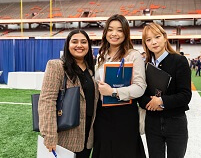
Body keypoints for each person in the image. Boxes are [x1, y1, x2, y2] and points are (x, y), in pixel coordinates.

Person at [92, 14, 147, 158]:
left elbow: (140, 88)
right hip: (102, 115)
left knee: (124, 152)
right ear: (105, 33)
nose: (114, 34)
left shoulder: (133, 55)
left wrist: (113, 91)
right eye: (110, 30)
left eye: (119, 30)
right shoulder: (101, 55)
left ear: (126, 33)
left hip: (124, 115)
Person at [38, 29, 99, 158]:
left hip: (87, 138)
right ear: (67, 45)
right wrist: (49, 135)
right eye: (74, 41)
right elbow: (47, 101)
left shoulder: (90, 69)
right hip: (64, 139)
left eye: (84, 42)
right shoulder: (57, 66)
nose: (79, 45)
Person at [139, 22, 192, 158]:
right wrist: (151, 104)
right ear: (145, 44)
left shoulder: (179, 61)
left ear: (165, 37)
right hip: (152, 123)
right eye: (148, 40)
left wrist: (161, 101)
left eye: (157, 37)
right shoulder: (145, 65)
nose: (154, 42)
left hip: (175, 121)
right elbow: (141, 94)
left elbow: (185, 95)